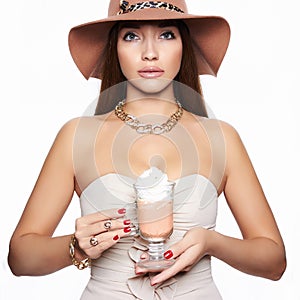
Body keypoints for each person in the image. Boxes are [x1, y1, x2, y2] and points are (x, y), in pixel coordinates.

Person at [8, 0, 286, 299]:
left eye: (166, 34)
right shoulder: (77, 135)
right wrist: (76, 245)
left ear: (185, 45)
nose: (150, 52)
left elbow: (274, 262)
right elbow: (20, 258)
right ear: (114, 46)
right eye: (132, 36)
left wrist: (211, 242)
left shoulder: (221, 138)